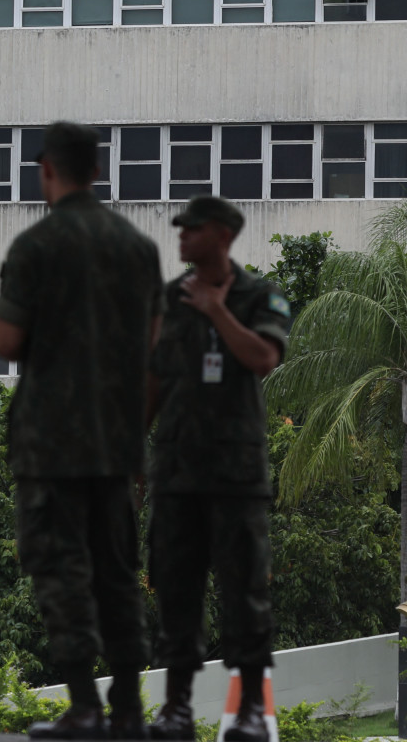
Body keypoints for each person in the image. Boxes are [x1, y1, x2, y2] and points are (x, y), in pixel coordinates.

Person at [0, 122, 162, 741]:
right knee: (116, 570)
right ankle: (130, 709)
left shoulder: (37, 246)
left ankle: (84, 706)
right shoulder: (138, 249)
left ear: (47, 170)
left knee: (60, 568)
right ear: (95, 170)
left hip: (50, 441)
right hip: (114, 441)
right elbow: (153, 353)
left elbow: (7, 341)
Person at [145, 196, 290, 742]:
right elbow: (153, 378)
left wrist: (215, 309)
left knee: (244, 590)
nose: (181, 236)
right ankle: (177, 708)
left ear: (224, 234)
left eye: (193, 228)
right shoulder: (169, 298)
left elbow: (263, 358)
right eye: (179, 229)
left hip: (236, 473)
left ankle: (251, 708)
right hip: (177, 470)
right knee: (176, 590)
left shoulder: (261, 296)